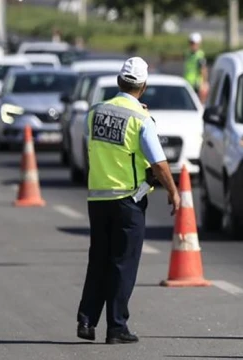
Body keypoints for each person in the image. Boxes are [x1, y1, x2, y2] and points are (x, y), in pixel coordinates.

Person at [76, 57, 181, 344]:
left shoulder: (95, 112)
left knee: (98, 259)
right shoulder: (141, 120)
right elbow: (158, 164)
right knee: (123, 264)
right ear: (143, 87)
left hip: (97, 198)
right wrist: (173, 191)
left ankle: (86, 320)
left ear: (119, 82)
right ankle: (116, 326)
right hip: (127, 200)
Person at [184, 32, 208, 102]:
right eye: (191, 43)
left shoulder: (200, 56)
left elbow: (203, 70)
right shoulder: (188, 54)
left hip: (196, 85)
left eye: (194, 43)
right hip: (187, 82)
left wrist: (204, 83)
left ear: (198, 44)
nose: (192, 45)